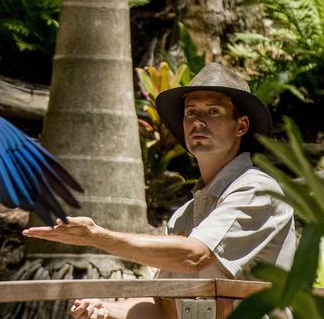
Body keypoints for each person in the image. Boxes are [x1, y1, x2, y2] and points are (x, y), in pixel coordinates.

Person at [22, 63, 296, 319]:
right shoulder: (184, 216)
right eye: (191, 112)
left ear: (242, 126)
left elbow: (195, 256)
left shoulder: (257, 189)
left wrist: (97, 237)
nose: (198, 121)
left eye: (213, 111)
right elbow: (164, 308)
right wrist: (108, 309)